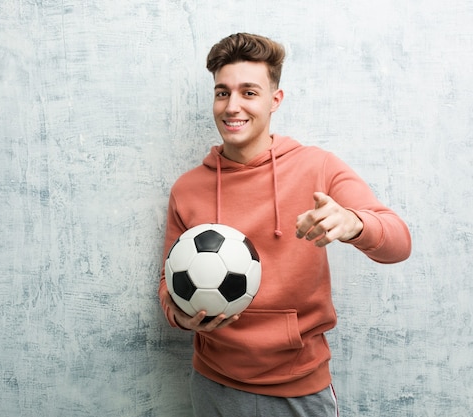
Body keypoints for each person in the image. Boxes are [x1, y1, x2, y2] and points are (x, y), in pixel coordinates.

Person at [158, 32, 412, 416]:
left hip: (298, 389)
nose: (232, 106)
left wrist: (354, 223)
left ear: (275, 100)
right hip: (212, 384)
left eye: (248, 92)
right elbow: (167, 283)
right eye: (222, 93)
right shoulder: (187, 188)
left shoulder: (317, 167)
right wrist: (178, 315)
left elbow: (399, 241)